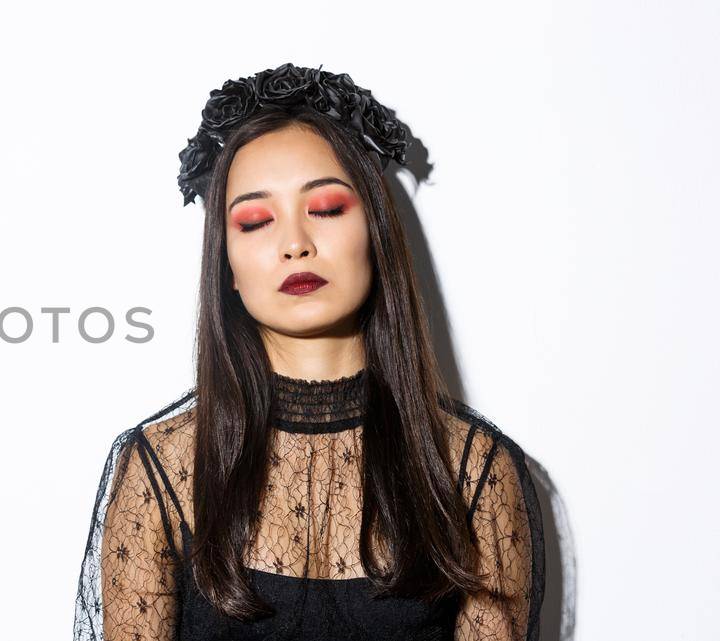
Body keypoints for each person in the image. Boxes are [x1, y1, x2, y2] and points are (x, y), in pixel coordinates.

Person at [71, 64, 546, 641]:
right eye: (255, 220)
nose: (295, 243)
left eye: (325, 208)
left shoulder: (473, 472)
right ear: (228, 269)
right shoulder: (162, 469)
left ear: (376, 233)